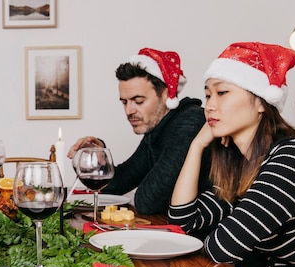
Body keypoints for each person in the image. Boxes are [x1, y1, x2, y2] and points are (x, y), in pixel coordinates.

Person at [168, 42, 295, 267]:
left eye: (222, 93)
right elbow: (183, 224)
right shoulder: (241, 166)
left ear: (261, 102)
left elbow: (222, 249)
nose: (209, 105)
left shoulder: (293, 158)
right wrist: (197, 146)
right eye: (208, 94)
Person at [68, 48, 211, 214]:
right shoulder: (158, 128)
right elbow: (116, 185)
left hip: (204, 235)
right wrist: (100, 157)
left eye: (138, 101)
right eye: (124, 102)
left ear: (165, 94)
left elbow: (148, 202)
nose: (129, 110)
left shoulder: (190, 122)